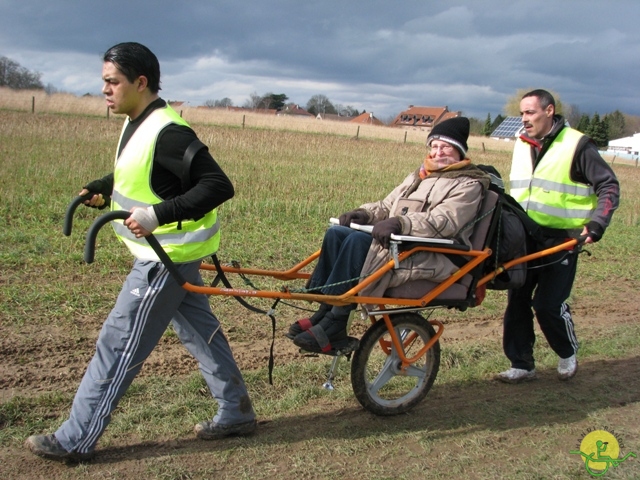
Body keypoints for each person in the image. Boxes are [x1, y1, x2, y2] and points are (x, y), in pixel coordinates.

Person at [25, 42, 256, 462]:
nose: (105, 90)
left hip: (161, 260)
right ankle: (236, 410)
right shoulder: (141, 121)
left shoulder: (169, 131)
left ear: (140, 82)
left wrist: (157, 215)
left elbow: (218, 186)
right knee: (201, 335)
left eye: (112, 82)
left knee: (118, 343)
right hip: (171, 255)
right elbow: (145, 170)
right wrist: (104, 186)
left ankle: (76, 438)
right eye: (104, 82)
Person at [287, 117, 491, 353]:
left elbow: (444, 221)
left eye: (445, 147)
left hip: (433, 253)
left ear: (459, 151)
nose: (438, 152)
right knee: (337, 234)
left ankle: (336, 323)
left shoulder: (469, 184)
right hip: (403, 244)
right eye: (434, 146)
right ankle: (324, 311)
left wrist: (400, 223)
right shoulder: (420, 175)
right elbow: (387, 205)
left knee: (357, 241)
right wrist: (363, 213)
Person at [496, 89, 620, 384]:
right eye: (522, 113)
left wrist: (597, 223)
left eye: (530, 113)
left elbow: (609, 186)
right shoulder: (521, 143)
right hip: (524, 237)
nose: (523, 119)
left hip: (562, 240)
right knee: (518, 301)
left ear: (549, 111)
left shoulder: (577, 145)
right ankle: (522, 363)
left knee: (548, 305)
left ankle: (566, 352)